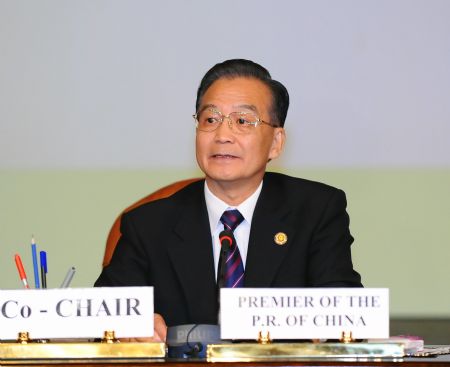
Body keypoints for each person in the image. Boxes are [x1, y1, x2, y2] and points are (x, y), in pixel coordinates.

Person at [95, 59, 362, 342]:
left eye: (243, 121)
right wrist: (132, 325)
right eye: (210, 120)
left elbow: (344, 312)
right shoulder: (149, 224)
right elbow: (105, 312)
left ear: (276, 142)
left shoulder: (316, 211)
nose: (222, 135)